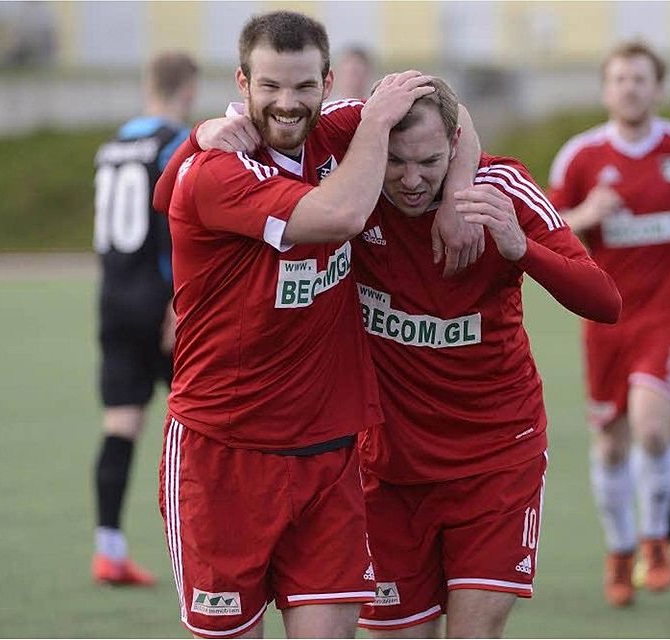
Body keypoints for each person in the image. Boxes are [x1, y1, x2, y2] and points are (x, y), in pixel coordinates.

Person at [178, 77, 622, 638]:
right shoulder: (346, 192)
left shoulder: (500, 189)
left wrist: (520, 247)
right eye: (396, 162)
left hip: (496, 460)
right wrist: (202, 132)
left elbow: (604, 301)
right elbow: (264, 136)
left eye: (430, 162)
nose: (412, 180)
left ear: (455, 146)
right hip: (387, 470)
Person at [151, 12, 482, 638]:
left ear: (327, 83)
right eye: (271, 85)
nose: (288, 102)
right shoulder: (219, 171)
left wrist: (457, 199)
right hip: (224, 452)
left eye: (304, 85)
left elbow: (450, 112)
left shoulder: (336, 130)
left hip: (328, 452)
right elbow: (341, 214)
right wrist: (375, 123)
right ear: (242, 83)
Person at [547, 42, 670, 608]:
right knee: (610, 446)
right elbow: (549, 226)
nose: (630, 88)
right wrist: (587, 215)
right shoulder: (580, 157)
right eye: (620, 79)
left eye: (640, 79)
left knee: (652, 430)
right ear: (606, 89)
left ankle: (655, 540)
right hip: (607, 317)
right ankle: (619, 552)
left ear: (658, 88)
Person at [90, 51, 198, 587]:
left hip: (112, 300)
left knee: (121, 424)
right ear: (187, 89)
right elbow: (176, 230)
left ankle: (108, 549)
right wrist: (179, 303)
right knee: (203, 423)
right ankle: (208, 551)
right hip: (160, 307)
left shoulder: (111, 146)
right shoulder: (175, 142)